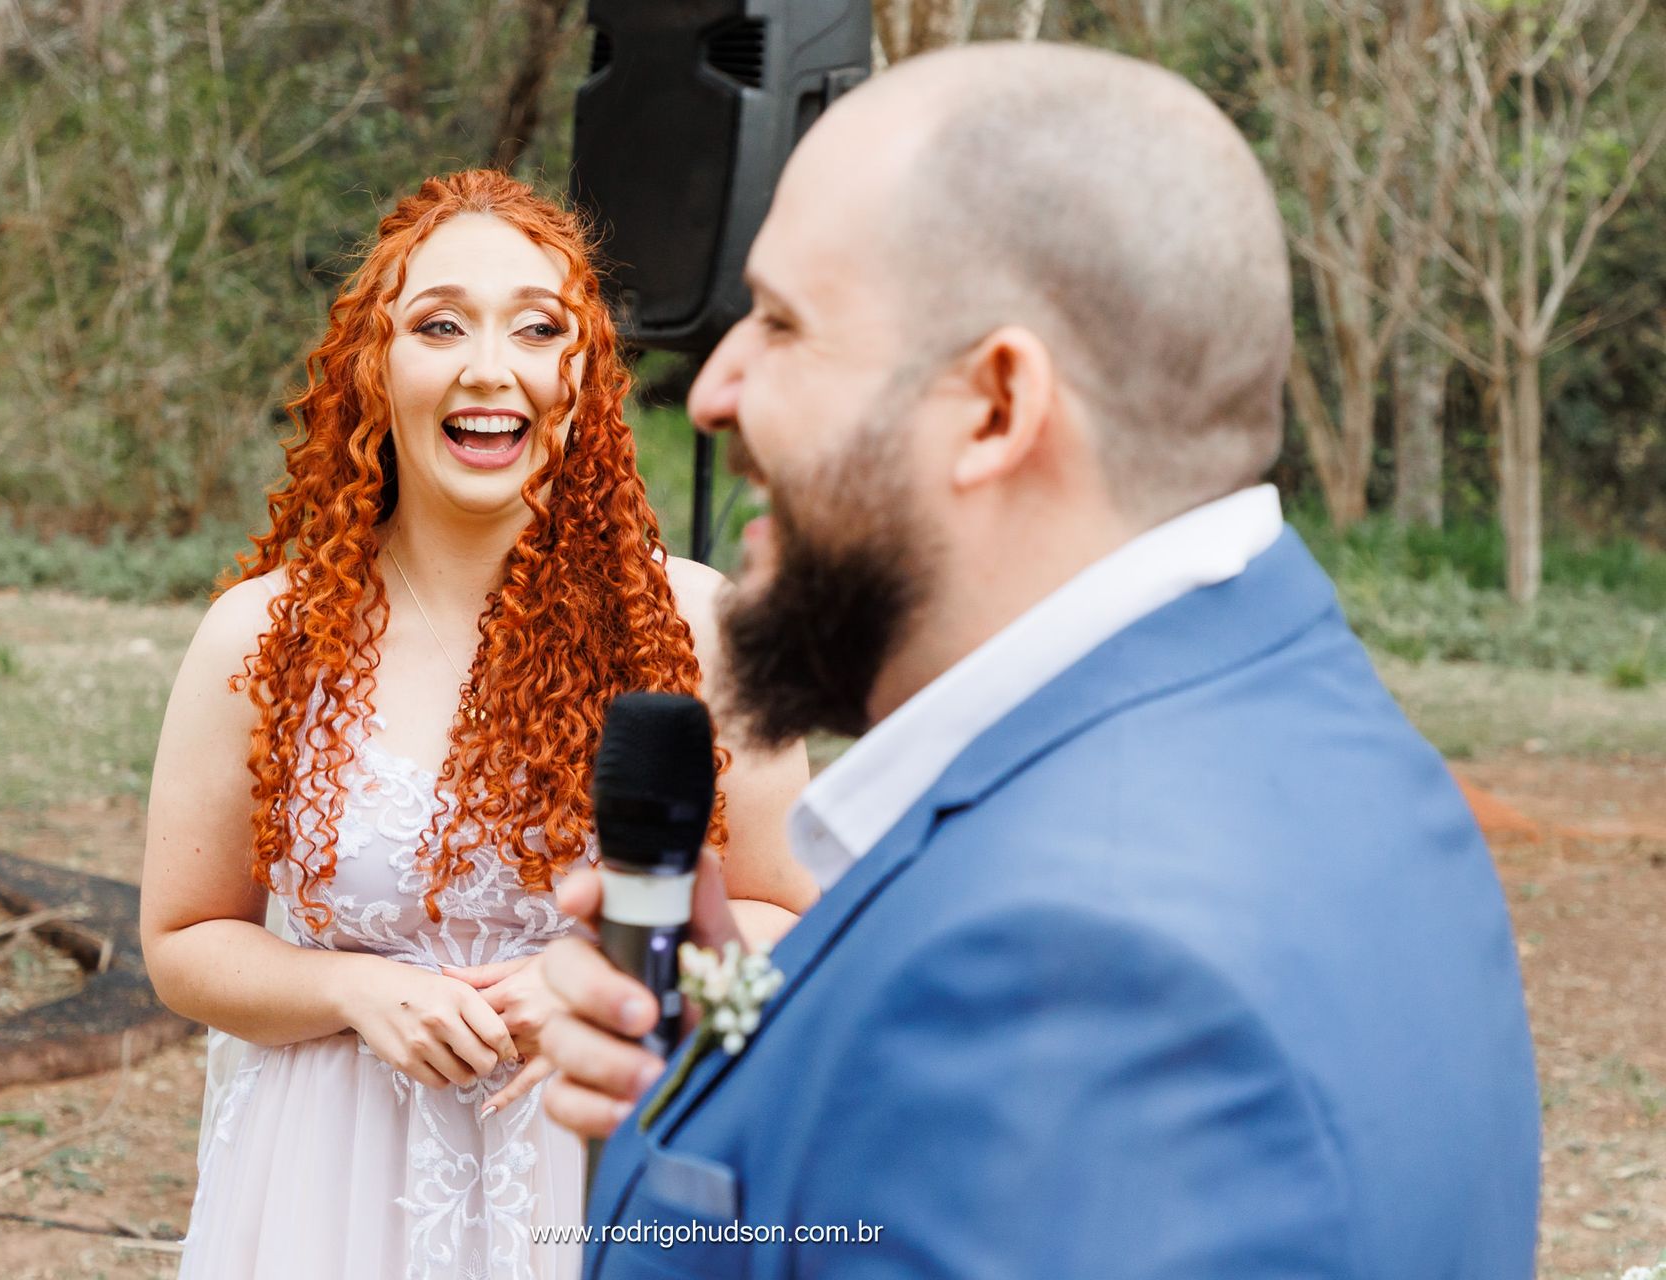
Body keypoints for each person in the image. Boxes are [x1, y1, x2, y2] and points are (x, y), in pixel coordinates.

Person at [536, 42, 1542, 1278]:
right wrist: (768, 1058)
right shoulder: (1322, 737)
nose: (713, 389)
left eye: (785, 324)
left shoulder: (1077, 977)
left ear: (997, 406)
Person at [137, 169, 816, 1279]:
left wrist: (614, 971)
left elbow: (789, 916)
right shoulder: (258, 637)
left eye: (537, 327)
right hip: (326, 1194)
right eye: (439, 323)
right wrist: (349, 987)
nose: (489, 367)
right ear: (375, 364)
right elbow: (182, 943)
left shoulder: (701, 626)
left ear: (582, 371)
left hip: (602, 1174)